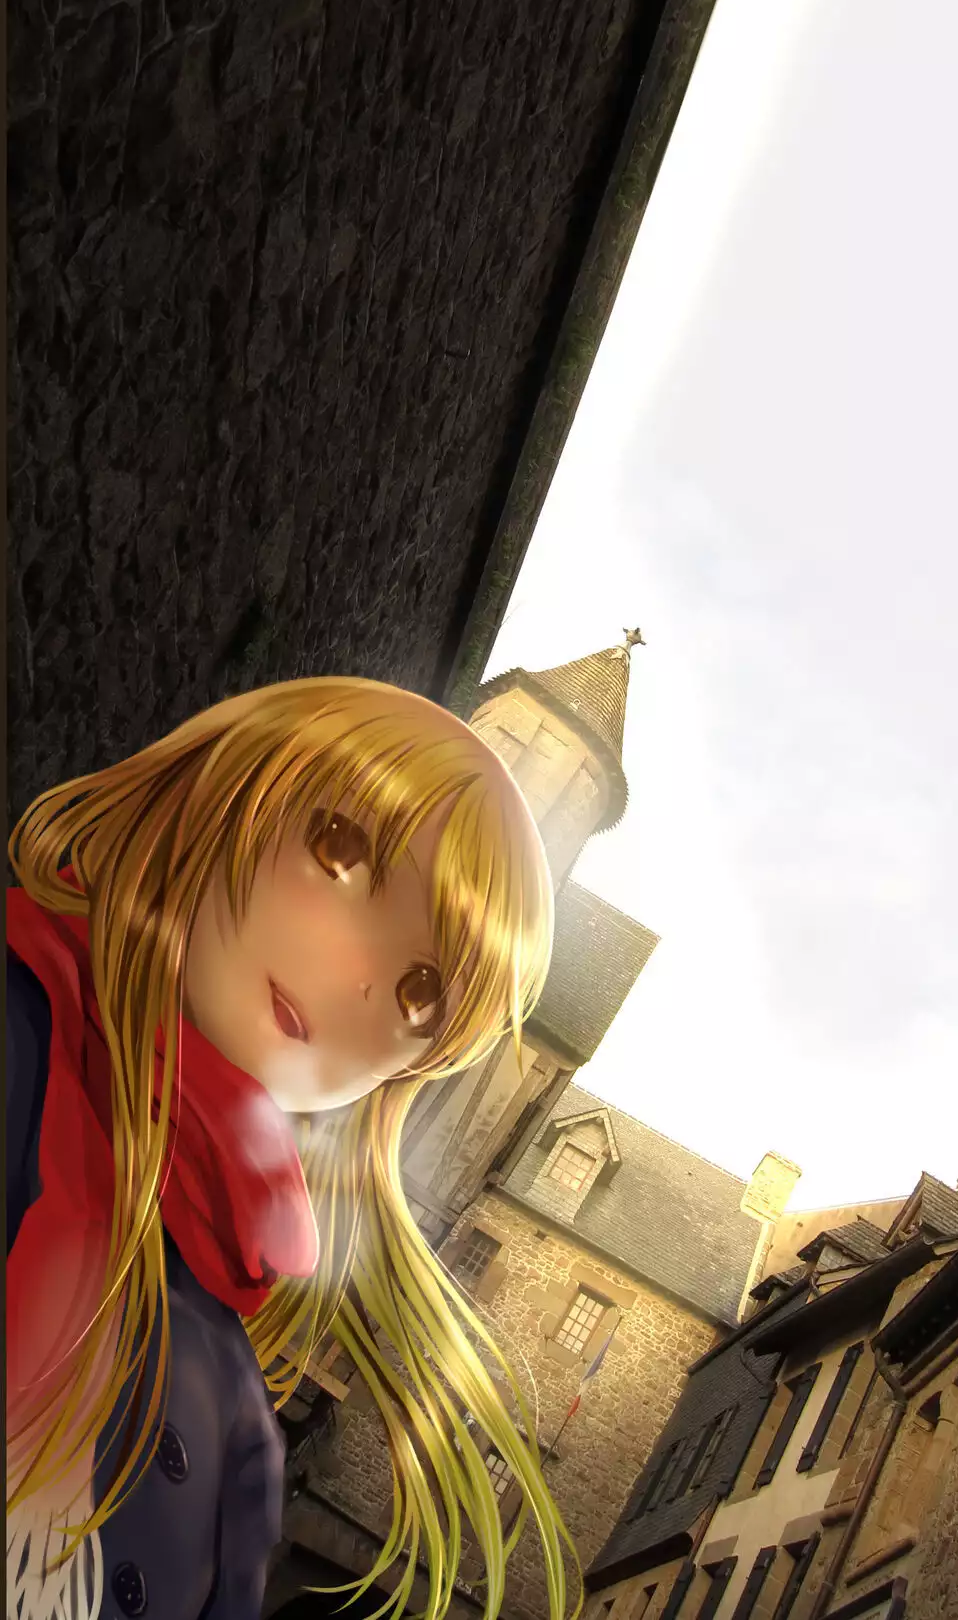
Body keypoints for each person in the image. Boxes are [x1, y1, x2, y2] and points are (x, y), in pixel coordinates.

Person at [6, 679, 575, 1620]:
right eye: (339, 847)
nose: (358, 974)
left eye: (420, 993)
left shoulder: (236, 1411)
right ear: (229, 787)